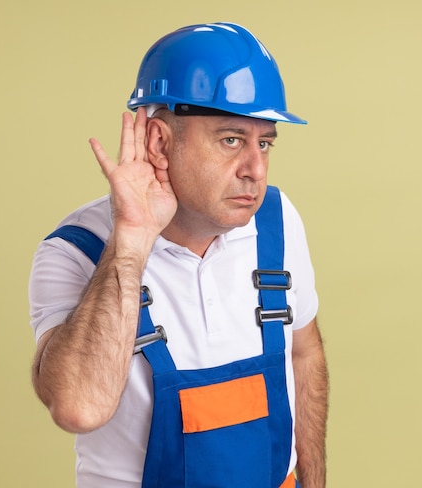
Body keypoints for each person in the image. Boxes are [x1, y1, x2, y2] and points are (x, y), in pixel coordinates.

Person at [29, 22, 328, 488]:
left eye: (264, 143)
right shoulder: (76, 251)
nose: (255, 170)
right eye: (231, 140)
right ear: (159, 142)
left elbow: (304, 354)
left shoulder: (277, 221)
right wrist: (131, 238)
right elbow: (78, 407)